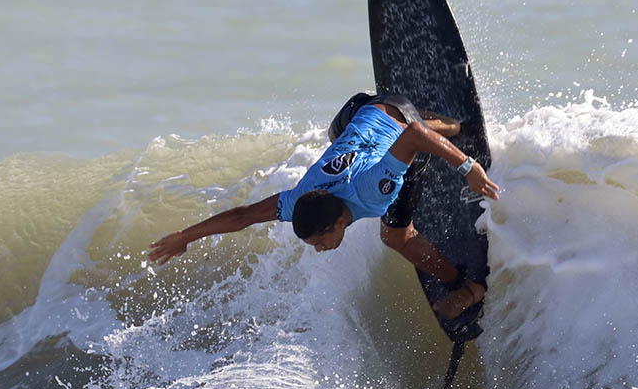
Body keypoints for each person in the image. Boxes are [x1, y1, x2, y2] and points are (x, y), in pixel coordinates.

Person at [148, 92, 500, 320]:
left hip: (399, 118)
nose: (319, 249)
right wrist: (184, 236)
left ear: (339, 223)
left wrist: (469, 168)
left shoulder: (372, 191)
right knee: (336, 136)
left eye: (319, 241)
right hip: (361, 108)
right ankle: (430, 121)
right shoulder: (300, 199)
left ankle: (466, 287)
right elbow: (243, 216)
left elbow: (413, 138)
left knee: (395, 237)